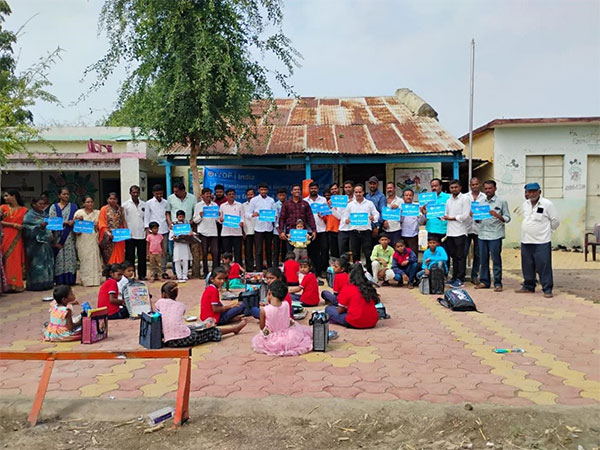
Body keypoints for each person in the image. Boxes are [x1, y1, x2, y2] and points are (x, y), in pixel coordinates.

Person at [157, 281, 246, 348]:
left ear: (163, 294)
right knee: (210, 331)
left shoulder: (158, 303)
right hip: (182, 339)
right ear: (176, 294)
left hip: (168, 340)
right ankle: (234, 329)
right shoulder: (181, 305)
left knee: (191, 327)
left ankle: (233, 327)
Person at [516, 182, 560, 298]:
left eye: (534, 191)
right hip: (526, 240)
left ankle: (547, 289)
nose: (532, 194)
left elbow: (555, 221)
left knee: (544, 265)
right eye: (529, 192)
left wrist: (548, 231)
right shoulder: (525, 204)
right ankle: (529, 286)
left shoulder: (547, 204)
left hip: (542, 241)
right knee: (527, 264)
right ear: (526, 193)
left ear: (539, 192)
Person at [251, 280, 313, 356]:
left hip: (273, 340)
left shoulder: (264, 310)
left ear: (269, 292)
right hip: (289, 336)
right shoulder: (286, 304)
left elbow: (262, 327)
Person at [475, 180, 511, 292]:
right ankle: (484, 281)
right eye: (486, 189)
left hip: (495, 235)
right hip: (482, 235)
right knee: (483, 260)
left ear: (495, 189)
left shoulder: (502, 201)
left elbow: (507, 218)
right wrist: (474, 215)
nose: (488, 191)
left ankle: (498, 283)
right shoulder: (480, 201)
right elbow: (477, 220)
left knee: (496, 259)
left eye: (490, 188)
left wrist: (497, 215)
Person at [325, 264, 379, 329]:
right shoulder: (368, 286)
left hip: (355, 322)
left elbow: (340, 310)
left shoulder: (348, 287)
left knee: (328, 309)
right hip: (372, 322)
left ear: (349, 275)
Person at [343, 183, 380, 272]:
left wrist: (373, 218)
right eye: (356, 192)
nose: (358, 194)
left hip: (366, 232)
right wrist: (346, 220)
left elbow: (376, 214)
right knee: (355, 254)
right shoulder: (350, 205)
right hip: (354, 232)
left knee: (368, 254)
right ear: (354, 193)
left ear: (363, 192)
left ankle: (369, 273)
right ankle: (357, 273)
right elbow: (345, 216)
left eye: (360, 192)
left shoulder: (369, 203)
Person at [442, 179, 471, 288]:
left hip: (460, 232)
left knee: (460, 257)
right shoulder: (449, 200)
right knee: (453, 256)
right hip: (450, 233)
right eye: (451, 187)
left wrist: (452, 218)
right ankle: (454, 278)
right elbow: (445, 214)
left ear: (460, 187)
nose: (454, 189)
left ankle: (460, 279)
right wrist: (439, 215)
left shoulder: (465, 199)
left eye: (455, 187)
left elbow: (465, 216)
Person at [23, 196, 54, 291]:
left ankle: (47, 283)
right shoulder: (29, 215)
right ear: (33, 204)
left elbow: (51, 227)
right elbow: (26, 228)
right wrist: (39, 227)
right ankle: (36, 284)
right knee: (37, 265)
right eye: (40, 204)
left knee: (47, 263)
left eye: (43, 204)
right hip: (35, 245)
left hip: (46, 243)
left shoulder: (45, 215)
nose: (42, 206)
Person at [48, 187, 78, 285]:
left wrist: (75, 222)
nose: (66, 196)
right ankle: (60, 280)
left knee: (70, 257)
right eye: (64, 194)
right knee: (60, 258)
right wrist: (65, 223)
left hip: (70, 236)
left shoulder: (73, 207)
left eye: (67, 194)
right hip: (58, 236)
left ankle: (70, 280)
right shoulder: (54, 207)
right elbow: (52, 221)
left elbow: (77, 220)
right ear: (59, 195)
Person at [1, 189, 28, 292]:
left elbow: (27, 223)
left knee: (15, 259)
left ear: (14, 196)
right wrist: (13, 225)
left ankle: (15, 284)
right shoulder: (2, 208)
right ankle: (4, 285)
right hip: (4, 236)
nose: (5, 198)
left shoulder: (24, 210)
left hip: (17, 238)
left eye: (7, 196)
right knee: (4, 259)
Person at [74, 196, 104, 286]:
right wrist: (79, 222)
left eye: (91, 202)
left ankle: (96, 280)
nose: (90, 204)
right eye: (87, 202)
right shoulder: (79, 213)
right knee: (85, 260)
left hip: (94, 239)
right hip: (83, 240)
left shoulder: (97, 213)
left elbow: (101, 227)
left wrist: (96, 226)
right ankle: (86, 280)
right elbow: (76, 231)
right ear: (83, 204)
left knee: (95, 259)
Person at [279, 184, 317, 253]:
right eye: (295, 190)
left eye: (298, 190)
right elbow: (282, 218)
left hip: (302, 234)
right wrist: (281, 232)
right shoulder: (286, 204)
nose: (297, 191)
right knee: (290, 254)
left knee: (302, 254)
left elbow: (310, 217)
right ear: (291, 192)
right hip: (290, 233)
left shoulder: (305, 203)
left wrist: (314, 230)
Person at [246, 182, 275, 271]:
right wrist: (253, 215)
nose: (263, 191)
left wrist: (274, 216)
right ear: (259, 190)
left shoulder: (271, 200)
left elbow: (274, 213)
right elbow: (247, 213)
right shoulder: (254, 200)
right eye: (262, 190)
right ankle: (259, 270)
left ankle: (270, 269)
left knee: (269, 250)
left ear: (267, 190)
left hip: (269, 228)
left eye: (265, 190)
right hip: (258, 228)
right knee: (258, 251)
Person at [463, 177, 486, 284]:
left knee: (478, 254)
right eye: (473, 185)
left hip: (479, 229)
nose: (475, 186)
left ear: (479, 184)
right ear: (470, 185)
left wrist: (479, 216)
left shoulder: (484, 197)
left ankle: (474, 275)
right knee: (463, 253)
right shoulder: (464, 197)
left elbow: (487, 213)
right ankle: (461, 275)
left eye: (476, 184)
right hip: (466, 229)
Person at [144, 184, 170, 279]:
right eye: (157, 194)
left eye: (160, 193)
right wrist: (148, 231)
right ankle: (154, 272)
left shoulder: (166, 202)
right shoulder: (149, 203)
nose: (159, 195)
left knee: (163, 251)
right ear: (153, 193)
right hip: (153, 232)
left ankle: (162, 271)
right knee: (153, 253)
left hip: (163, 230)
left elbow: (167, 215)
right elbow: (146, 217)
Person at [304, 182, 329, 277]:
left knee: (324, 250)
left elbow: (327, 214)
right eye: (312, 188)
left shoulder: (323, 200)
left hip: (322, 229)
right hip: (310, 230)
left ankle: (323, 270)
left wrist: (323, 215)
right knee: (312, 252)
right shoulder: (305, 201)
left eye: (315, 188)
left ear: (318, 189)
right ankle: (313, 270)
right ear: (309, 189)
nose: (313, 190)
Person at [193, 188, 219, 277]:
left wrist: (220, 217)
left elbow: (217, 220)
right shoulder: (198, 206)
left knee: (215, 252)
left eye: (209, 194)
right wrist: (200, 216)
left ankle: (215, 273)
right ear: (202, 195)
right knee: (204, 253)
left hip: (213, 232)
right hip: (203, 232)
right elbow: (195, 220)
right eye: (206, 194)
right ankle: (205, 272)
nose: (208, 196)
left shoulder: (214, 205)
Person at [123, 185, 147, 280]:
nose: (135, 194)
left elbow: (146, 219)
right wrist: (126, 231)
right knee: (130, 257)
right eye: (133, 192)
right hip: (130, 234)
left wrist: (146, 231)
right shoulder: (125, 205)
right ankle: (131, 275)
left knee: (142, 256)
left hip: (141, 234)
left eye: (137, 192)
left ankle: (142, 275)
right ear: (130, 193)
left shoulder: (144, 204)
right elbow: (124, 219)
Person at [98, 192, 127, 265]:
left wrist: (126, 232)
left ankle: (119, 272)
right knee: (109, 259)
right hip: (108, 238)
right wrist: (108, 233)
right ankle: (110, 273)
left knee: (120, 257)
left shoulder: (120, 209)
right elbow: (101, 223)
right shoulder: (104, 209)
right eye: (110, 198)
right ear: (107, 200)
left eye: (114, 199)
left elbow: (123, 221)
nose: (112, 200)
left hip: (119, 237)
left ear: (117, 200)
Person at [219, 188, 244, 264]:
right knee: (227, 254)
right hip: (226, 233)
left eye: (233, 194)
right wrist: (221, 220)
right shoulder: (222, 206)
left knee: (238, 253)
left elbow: (243, 217)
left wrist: (242, 222)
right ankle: (227, 270)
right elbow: (219, 218)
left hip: (237, 233)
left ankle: (238, 270)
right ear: (226, 196)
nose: (231, 195)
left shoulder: (240, 205)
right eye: (229, 194)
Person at [421, 178, 450, 243]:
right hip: (431, 229)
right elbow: (425, 213)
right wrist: (424, 211)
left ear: (441, 186)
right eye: (432, 186)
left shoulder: (448, 197)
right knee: (432, 251)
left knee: (443, 251)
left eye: (436, 186)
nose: (434, 188)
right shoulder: (427, 198)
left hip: (443, 229)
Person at [169, 210, 193, 282]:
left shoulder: (187, 225)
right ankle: (179, 275)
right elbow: (171, 236)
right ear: (177, 217)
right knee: (177, 260)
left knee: (185, 260)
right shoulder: (173, 225)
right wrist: (174, 237)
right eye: (179, 216)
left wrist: (191, 234)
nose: (181, 218)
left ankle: (185, 275)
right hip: (177, 245)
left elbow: (190, 233)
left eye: (182, 216)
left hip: (185, 244)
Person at [333, 180, 354, 255]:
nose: (348, 189)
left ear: (353, 188)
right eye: (346, 187)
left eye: (349, 187)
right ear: (343, 189)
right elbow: (338, 216)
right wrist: (333, 208)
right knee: (342, 252)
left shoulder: (357, 199)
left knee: (354, 252)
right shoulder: (340, 200)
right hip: (343, 228)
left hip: (354, 228)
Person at [400, 188, 421, 258]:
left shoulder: (417, 207)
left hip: (413, 235)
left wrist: (422, 214)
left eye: (410, 195)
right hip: (402, 234)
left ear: (413, 197)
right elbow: (398, 220)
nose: (408, 197)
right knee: (402, 255)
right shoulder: (400, 207)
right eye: (406, 195)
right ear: (403, 197)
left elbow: (421, 221)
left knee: (413, 255)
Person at [366, 176, 386, 242]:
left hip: (376, 227)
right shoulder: (367, 196)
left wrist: (377, 227)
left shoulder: (381, 196)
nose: (372, 185)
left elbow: (382, 212)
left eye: (374, 184)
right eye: (370, 184)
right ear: (368, 184)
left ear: (377, 184)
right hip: (367, 226)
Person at [241, 188, 256, 271]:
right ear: (246, 196)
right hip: (247, 231)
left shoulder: (258, 204)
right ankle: (249, 269)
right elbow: (242, 218)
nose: (250, 196)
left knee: (258, 251)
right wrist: (243, 231)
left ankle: (258, 268)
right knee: (248, 251)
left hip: (258, 231)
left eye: (251, 194)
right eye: (248, 194)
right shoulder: (243, 206)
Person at [272, 188, 288, 266]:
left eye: (283, 195)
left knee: (285, 249)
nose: (282, 197)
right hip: (277, 231)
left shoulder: (288, 203)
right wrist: (280, 231)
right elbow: (275, 219)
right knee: (276, 250)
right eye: (280, 195)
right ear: (277, 196)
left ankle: (284, 265)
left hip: (286, 230)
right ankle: (275, 265)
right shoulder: (275, 205)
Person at [324, 183, 340, 258]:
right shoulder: (328, 203)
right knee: (333, 252)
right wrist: (321, 216)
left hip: (341, 229)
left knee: (342, 251)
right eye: (332, 189)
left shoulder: (343, 201)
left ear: (339, 189)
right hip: (331, 229)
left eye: (335, 188)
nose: (334, 190)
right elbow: (326, 218)